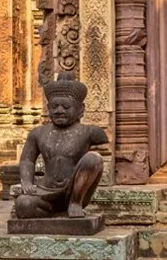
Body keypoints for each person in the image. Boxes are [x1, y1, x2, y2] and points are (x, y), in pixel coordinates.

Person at [13, 72, 106, 219]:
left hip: (74, 190)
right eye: (54, 106)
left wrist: (76, 198)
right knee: (23, 204)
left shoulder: (90, 132)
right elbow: (27, 160)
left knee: (94, 158)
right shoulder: (38, 133)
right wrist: (26, 182)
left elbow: (95, 163)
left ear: (80, 109)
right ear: (48, 108)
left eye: (66, 107)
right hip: (44, 190)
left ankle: (74, 204)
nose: (59, 111)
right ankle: (54, 214)